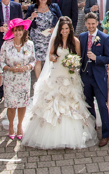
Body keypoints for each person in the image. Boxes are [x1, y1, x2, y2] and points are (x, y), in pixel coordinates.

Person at [21, 17, 97, 149]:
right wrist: (53, 57)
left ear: (70, 29)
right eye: (62, 29)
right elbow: (50, 55)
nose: (64, 31)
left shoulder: (75, 41)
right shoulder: (55, 41)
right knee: (53, 102)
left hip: (70, 75)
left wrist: (74, 65)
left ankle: (72, 136)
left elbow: (79, 57)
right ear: (59, 30)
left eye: (67, 29)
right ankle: (50, 136)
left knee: (71, 104)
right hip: (57, 74)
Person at [79, 13, 109, 147]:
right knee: (88, 105)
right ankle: (91, 129)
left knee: (101, 105)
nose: (91, 26)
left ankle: (105, 135)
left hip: (99, 77)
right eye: (89, 23)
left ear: (97, 23)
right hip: (85, 76)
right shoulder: (82, 37)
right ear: (85, 24)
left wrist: (96, 58)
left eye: (93, 23)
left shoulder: (104, 38)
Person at [0, 18, 35, 140]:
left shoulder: (30, 45)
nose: (18, 33)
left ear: (24, 31)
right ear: (12, 31)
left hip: (24, 79)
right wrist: (10, 69)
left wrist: (27, 67)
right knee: (11, 105)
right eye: (16, 30)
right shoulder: (6, 45)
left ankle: (20, 125)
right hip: (10, 79)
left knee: (22, 104)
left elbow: (33, 61)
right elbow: (1, 62)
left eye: (20, 30)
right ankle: (11, 125)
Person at [27, 0, 60, 79]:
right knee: (38, 60)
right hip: (37, 38)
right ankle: (39, 82)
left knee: (50, 59)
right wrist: (31, 17)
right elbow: (25, 24)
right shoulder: (32, 8)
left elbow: (61, 20)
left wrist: (55, 28)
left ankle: (49, 80)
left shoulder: (54, 7)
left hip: (50, 37)